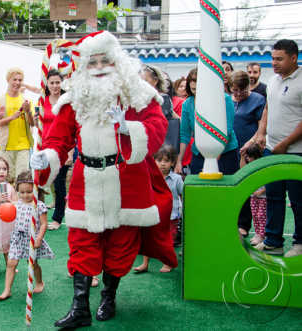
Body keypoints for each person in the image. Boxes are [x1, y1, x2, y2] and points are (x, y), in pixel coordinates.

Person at [30, 30, 176, 328]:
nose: (98, 67)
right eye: (92, 62)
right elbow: (58, 139)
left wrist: (128, 128)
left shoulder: (139, 95)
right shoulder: (73, 100)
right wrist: (46, 157)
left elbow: (157, 127)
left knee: (121, 244)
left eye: (104, 61)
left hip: (127, 181)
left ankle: (108, 297)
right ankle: (80, 307)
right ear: (84, 66)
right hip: (87, 180)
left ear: (117, 61)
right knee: (82, 241)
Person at [243, 39, 302, 257]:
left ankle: (299, 243)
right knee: (274, 196)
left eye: (279, 59)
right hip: (271, 148)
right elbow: (268, 107)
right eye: (273, 58)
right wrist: (260, 133)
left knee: (298, 200)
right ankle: (273, 240)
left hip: (296, 151)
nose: (274, 63)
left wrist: (285, 144)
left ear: (293, 58)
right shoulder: (273, 81)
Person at [0, 170, 54, 301]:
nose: (25, 195)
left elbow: (44, 224)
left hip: (32, 239)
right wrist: (5, 208)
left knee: (32, 263)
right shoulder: (17, 203)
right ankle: (7, 290)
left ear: (36, 190)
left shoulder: (39, 206)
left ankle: (39, 282)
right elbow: (8, 212)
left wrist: (39, 238)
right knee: (11, 263)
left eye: (29, 192)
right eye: (21, 192)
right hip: (17, 238)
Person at [175, 68, 239, 176]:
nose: (197, 93)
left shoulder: (224, 99)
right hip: (199, 152)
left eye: (199, 89)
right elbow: (184, 134)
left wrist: (215, 154)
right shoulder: (187, 104)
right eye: (193, 90)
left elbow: (227, 129)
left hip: (225, 153)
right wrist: (179, 161)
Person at [134, 145, 183, 273]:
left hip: (171, 216)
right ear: (153, 161)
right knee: (148, 238)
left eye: (166, 161)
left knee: (167, 240)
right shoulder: (149, 177)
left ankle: (168, 263)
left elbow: (182, 195)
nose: (162, 164)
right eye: (159, 161)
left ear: (172, 163)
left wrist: (183, 211)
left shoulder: (176, 179)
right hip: (153, 215)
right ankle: (145, 263)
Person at [37, 69, 74, 231]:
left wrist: (71, 152)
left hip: (63, 149)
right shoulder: (42, 101)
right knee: (39, 182)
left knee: (59, 184)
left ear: (62, 83)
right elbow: (35, 124)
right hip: (44, 148)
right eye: (51, 82)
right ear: (47, 84)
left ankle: (58, 218)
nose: (55, 85)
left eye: (57, 82)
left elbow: (72, 128)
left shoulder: (67, 102)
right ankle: (39, 215)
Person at [230, 70, 266, 237]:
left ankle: (244, 224)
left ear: (248, 86)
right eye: (234, 90)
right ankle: (230, 221)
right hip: (231, 149)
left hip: (249, 151)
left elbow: (262, 127)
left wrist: (250, 142)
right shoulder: (227, 100)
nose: (237, 94)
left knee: (247, 187)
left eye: (241, 90)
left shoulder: (257, 100)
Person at [0, 68, 34, 184]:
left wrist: (28, 112)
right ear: (8, 80)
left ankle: (20, 202)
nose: (17, 82)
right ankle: (8, 202)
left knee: (22, 180)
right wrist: (11, 118)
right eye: (14, 79)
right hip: (6, 146)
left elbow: (32, 124)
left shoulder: (26, 101)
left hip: (23, 146)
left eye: (20, 80)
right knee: (7, 180)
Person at [241, 143, 267, 246]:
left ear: (256, 156)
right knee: (255, 215)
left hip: (263, 197)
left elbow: (269, 182)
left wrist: (261, 191)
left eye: (250, 157)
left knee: (262, 216)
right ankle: (258, 234)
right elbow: (243, 170)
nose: (248, 159)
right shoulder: (251, 166)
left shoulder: (263, 167)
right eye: (247, 157)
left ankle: (262, 235)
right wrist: (242, 157)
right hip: (254, 196)